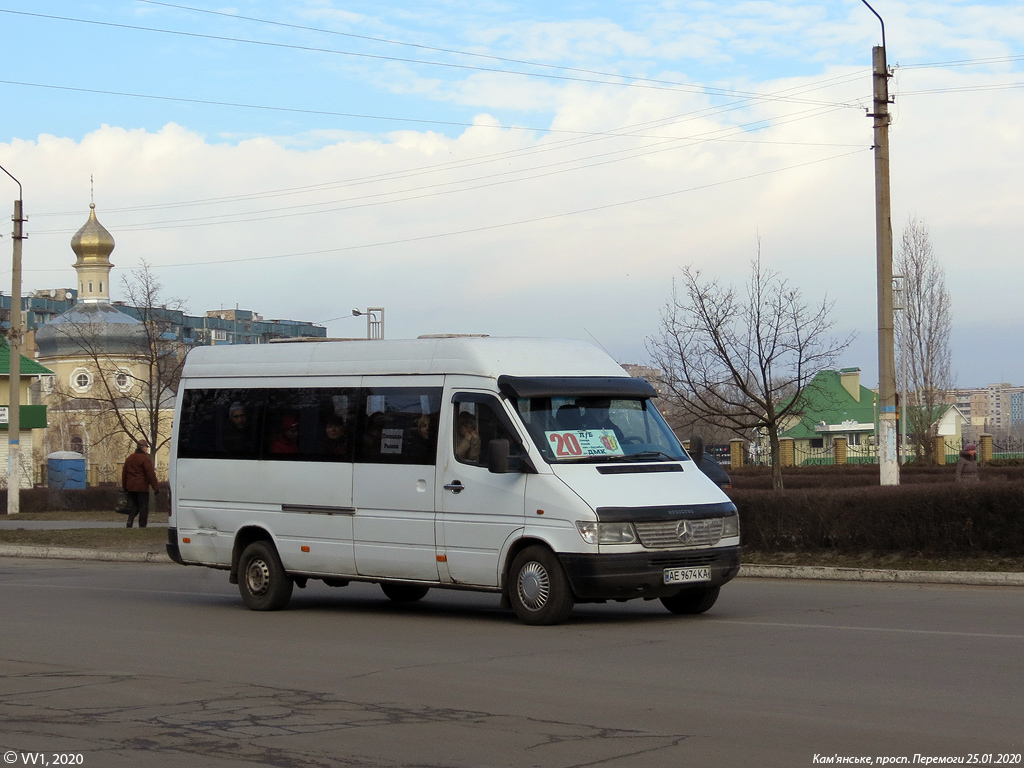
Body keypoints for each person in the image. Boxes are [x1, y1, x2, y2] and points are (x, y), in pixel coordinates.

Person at [122, 438, 159, 528]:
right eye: (146, 447)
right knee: (143, 506)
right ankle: (142, 525)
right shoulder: (145, 459)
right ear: (143, 448)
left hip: (130, 487)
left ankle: (130, 520)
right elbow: (150, 474)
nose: (147, 449)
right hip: (142, 487)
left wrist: (125, 487)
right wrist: (156, 487)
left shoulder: (129, 458)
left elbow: (124, 473)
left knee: (135, 505)